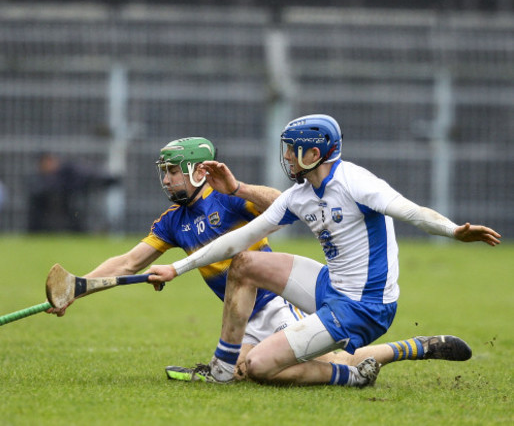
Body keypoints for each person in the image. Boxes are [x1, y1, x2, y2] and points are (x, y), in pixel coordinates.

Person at [49, 136, 474, 385]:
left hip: (274, 306)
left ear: (198, 171)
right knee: (245, 374)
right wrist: (78, 287)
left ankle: (392, 354)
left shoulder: (231, 201)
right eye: (163, 172)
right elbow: (128, 262)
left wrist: (239, 188)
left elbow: (286, 206)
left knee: (290, 369)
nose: (165, 180)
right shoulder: (172, 223)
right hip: (241, 318)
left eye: (173, 171)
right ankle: (222, 368)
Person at [148, 115, 501, 386]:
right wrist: (177, 268)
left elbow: (411, 211)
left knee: (257, 367)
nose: (285, 156)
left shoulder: (356, 182)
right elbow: (237, 240)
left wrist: (454, 231)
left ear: (313, 153)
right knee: (244, 263)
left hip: (365, 307)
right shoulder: (299, 195)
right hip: (331, 287)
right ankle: (221, 371)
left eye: (290, 149)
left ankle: (361, 372)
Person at [27, 153, 119, 232]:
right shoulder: (41, 178)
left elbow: (87, 175)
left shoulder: (68, 170)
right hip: (60, 207)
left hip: (75, 201)